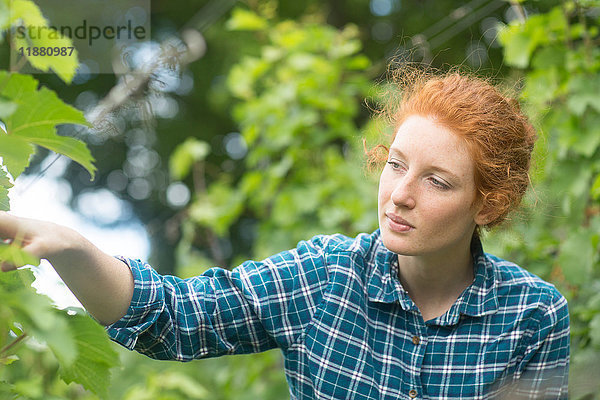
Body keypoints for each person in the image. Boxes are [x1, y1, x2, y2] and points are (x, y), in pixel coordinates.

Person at [0, 70, 570, 399]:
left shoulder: (533, 316)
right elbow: (173, 317)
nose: (399, 194)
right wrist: (71, 248)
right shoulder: (324, 278)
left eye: (437, 182)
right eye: (395, 165)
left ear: (487, 202)